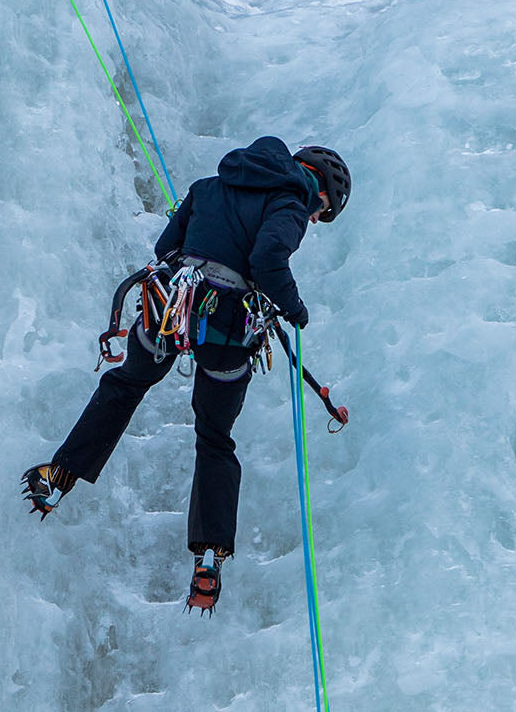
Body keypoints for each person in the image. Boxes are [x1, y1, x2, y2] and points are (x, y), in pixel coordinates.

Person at [24, 137, 351, 613]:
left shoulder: (208, 185)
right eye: (321, 215)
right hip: (228, 331)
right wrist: (294, 308)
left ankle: (58, 475)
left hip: (168, 314)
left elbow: (166, 247)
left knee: (125, 385)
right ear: (319, 192)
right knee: (214, 437)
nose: (314, 221)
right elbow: (267, 259)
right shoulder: (289, 202)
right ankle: (209, 557)